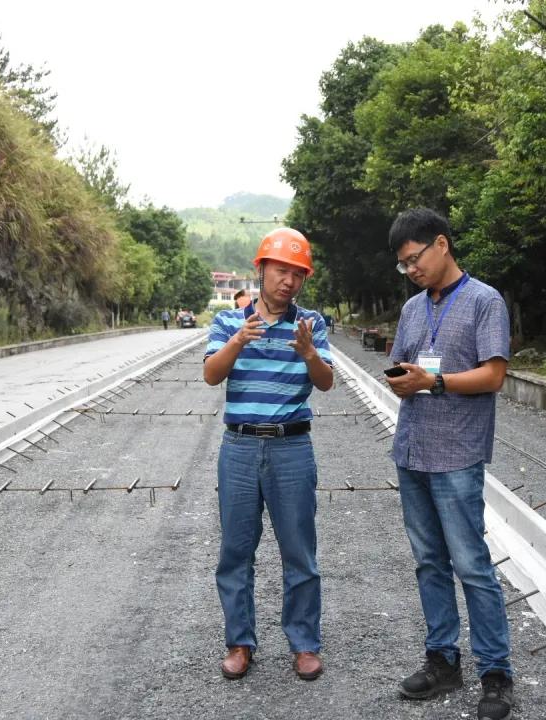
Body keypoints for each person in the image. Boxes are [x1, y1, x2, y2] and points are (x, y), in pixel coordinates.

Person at [382, 208, 515, 720]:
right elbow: (403, 362)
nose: (411, 270)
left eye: (414, 259)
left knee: (472, 565)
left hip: (457, 454)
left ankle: (496, 673)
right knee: (428, 562)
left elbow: (493, 376)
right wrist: (402, 378)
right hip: (412, 449)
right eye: (403, 265)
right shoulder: (413, 308)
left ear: (441, 244)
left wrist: (433, 382)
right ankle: (442, 659)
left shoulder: (485, 301)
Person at [203, 227, 334, 682]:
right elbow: (210, 375)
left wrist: (310, 353)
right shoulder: (227, 321)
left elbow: (325, 382)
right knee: (236, 550)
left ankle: (304, 644)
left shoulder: (311, 324)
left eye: (297, 274)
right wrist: (239, 340)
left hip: (292, 446)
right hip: (239, 446)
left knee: (299, 550)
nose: (289, 281)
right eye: (281, 270)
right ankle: (240, 643)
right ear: (261, 270)